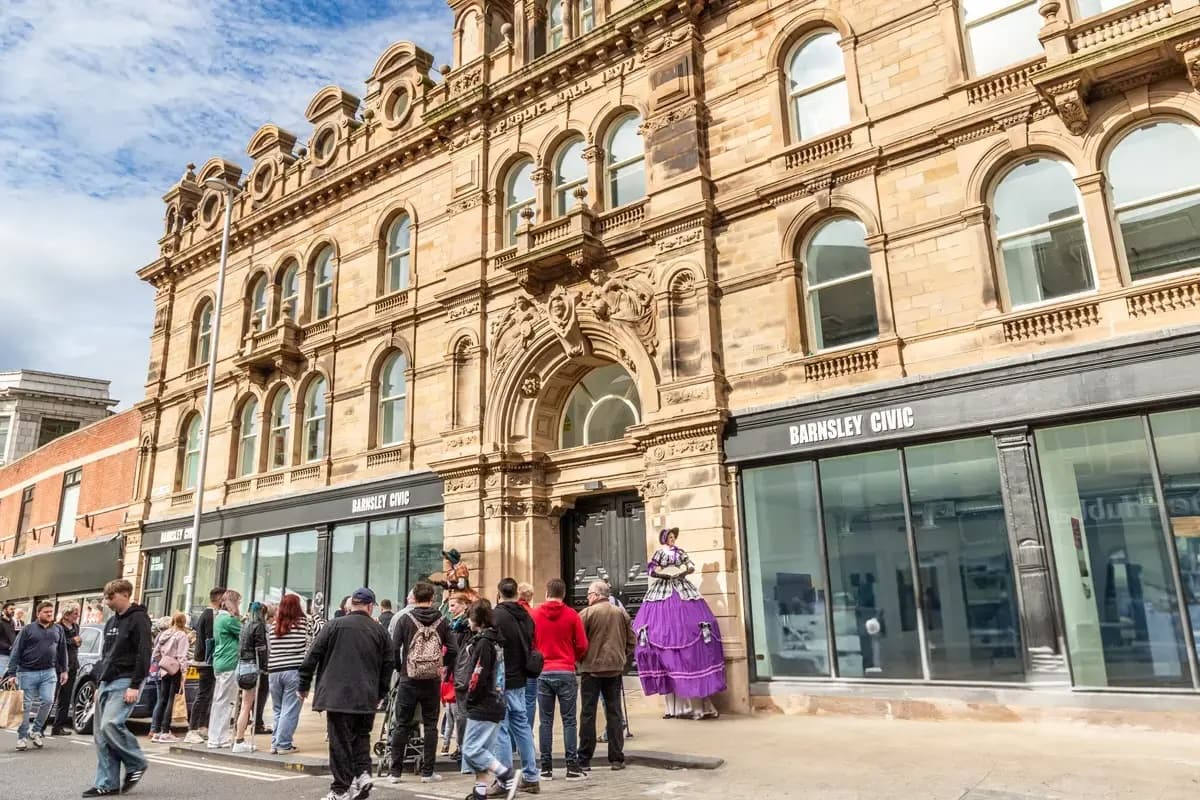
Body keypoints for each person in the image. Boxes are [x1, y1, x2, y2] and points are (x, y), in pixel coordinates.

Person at [299, 587, 393, 800]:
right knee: (361, 736)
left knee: (339, 741)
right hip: (367, 695)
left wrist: (303, 685)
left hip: (337, 695)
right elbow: (389, 664)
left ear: (351, 605)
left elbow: (312, 656)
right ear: (370, 606)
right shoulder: (380, 631)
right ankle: (363, 774)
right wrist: (381, 692)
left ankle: (341, 789)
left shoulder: (333, 625)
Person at [632, 528, 726, 720]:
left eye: (674, 537)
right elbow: (652, 568)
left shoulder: (680, 552)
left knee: (689, 621)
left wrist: (683, 570)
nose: (673, 540)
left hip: (682, 587)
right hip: (663, 589)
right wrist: (663, 574)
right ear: (664, 539)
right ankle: (674, 707)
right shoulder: (659, 553)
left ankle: (695, 705)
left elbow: (689, 565)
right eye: (670, 537)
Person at [82, 579, 151, 797]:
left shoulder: (139, 618)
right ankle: (107, 783)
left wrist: (134, 684)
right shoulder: (112, 622)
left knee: (111, 724)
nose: (107, 602)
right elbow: (107, 655)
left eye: (110, 597)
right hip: (107, 681)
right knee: (101, 736)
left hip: (125, 680)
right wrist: (99, 683)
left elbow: (144, 653)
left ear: (124, 594)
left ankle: (136, 762)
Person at [388, 581, 458, 784]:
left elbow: (394, 648)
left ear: (413, 598)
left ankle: (396, 772)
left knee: (402, 724)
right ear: (432, 599)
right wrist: (445, 668)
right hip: (432, 680)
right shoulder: (442, 620)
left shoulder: (404, 619)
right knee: (430, 725)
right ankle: (428, 772)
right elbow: (453, 649)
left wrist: (401, 667)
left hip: (408, 678)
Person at [455, 599, 518, 800]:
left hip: (483, 702)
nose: (468, 621)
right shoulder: (495, 640)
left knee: (471, 748)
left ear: (477, 619)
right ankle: (480, 791)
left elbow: (478, 674)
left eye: (470, 617)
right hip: (497, 700)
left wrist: (470, 697)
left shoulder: (483, 643)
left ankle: (505, 773)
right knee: (483, 749)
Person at [530, 579, 588, 781]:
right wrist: (573, 658)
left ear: (547, 593)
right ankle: (572, 767)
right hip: (565, 671)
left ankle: (545, 768)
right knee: (569, 721)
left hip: (543, 672)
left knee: (545, 722)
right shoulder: (572, 615)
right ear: (563, 594)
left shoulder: (535, 614)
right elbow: (582, 644)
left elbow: (530, 642)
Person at [578, 581, 635, 771]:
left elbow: (577, 641)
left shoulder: (586, 614)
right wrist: (620, 657)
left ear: (595, 594)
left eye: (588, 594)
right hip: (614, 669)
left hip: (590, 670)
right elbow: (631, 640)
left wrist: (581, 661)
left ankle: (584, 759)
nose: (587, 598)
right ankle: (617, 758)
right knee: (614, 712)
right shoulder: (620, 613)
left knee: (588, 713)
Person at [493, 578, 540, 793]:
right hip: (521, 678)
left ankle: (504, 781)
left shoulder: (497, 616)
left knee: (501, 730)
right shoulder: (527, 617)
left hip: (502, 680)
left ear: (499, 593)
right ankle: (531, 775)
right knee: (522, 727)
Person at [1, 600, 67, 751]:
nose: (49, 615)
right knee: (26, 706)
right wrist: (12, 673)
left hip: (49, 672)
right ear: (38, 614)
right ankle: (22, 737)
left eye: (51, 612)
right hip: (27, 672)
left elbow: (62, 650)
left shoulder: (58, 629)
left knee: (48, 701)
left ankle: (36, 730)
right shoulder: (28, 629)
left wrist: (64, 670)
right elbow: (16, 651)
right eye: (46, 612)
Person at [268, 593, 313, 755]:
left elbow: (271, 648)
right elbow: (309, 646)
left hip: (274, 671)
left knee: (278, 709)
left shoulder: (274, 625)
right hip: (294, 670)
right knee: (290, 709)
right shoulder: (303, 623)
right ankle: (284, 744)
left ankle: (275, 742)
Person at [184, 587, 225, 744]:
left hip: (206, 661)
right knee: (203, 695)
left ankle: (202, 726)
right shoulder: (209, 616)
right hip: (206, 662)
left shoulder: (209, 615)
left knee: (207, 695)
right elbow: (211, 640)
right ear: (219, 599)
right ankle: (193, 729)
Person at [207, 590, 243, 749]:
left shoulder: (219, 618)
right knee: (226, 702)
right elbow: (245, 633)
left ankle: (214, 737)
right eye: (238, 602)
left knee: (218, 701)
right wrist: (238, 616)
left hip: (220, 661)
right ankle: (219, 738)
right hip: (230, 662)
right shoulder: (229, 619)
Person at [149, 612, 190, 743]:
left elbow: (155, 654)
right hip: (175, 670)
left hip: (163, 669)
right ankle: (165, 731)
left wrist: (164, 661)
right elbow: (182, 656)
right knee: (171, 699)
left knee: (162, 699)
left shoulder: (164, 634)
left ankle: (156, 731)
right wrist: (183, 671)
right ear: (183, 623)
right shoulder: (181, 635)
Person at [232, 601, 268, 752]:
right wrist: (264, 667)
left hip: (240, 665)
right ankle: (239, 740)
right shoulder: (258, 625)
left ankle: (237, 738)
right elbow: (261, 648)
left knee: (241, 706)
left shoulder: (244, 625)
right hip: (251, 666)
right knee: (247, 706)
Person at [445, 591, 471, 762]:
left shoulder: (464, 626)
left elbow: (458, 650)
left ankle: (463, 748)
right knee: (454, 713)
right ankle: (460, 746)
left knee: (460, 713)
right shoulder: (454, 624)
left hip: (461, 673)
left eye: (453, 605)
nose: (450, 609)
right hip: (455, 672)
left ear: (464, 605)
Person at [49, 604, 83, 736]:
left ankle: (58, 726)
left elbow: (76, 644)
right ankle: (41, 725)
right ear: (66, 615)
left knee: (66, 696)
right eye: (75, 613)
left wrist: (78, 642)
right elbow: (55, 644)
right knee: (51, 696)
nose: (77, 616)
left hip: (72, 664)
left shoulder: (76, 627)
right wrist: (71, 641)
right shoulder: (57, 627)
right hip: (58, 665)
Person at [516, 584, 537, 730]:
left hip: (514, 662)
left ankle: (513, 739)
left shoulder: (511, 612)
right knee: (529, 700)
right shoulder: (534, 613)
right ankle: (527, 732)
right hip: (530, 661)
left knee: (514, 700)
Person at [0, 602, 17, 675]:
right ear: (4, 610)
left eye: (14, 609)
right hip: (2, 654)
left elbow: (12, 636)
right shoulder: (0, 622)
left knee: (7, 677)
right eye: (11, 609)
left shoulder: (12, 622)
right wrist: (9, 646)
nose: (13, 611)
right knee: (1, 675)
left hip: (12, 654)